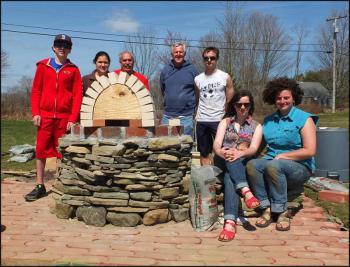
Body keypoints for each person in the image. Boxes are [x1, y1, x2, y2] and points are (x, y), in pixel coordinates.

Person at [246, 77, 318, 231]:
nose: (282, 101)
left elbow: (310, 150)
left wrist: (285, 156)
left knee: (273, 165)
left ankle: (282, 211)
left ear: (294, 98)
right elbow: (257, 148)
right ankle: (265, 208)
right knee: (253, 165)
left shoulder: (305, 119)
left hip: (299, 167)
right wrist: (240, 152)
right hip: (274, 163)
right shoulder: (269, 121)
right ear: (273, 99)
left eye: (286, 97)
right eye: (279, 98)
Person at [25, 34, 82, 202]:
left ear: (70, 49)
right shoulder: (43, 66)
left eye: (66, 45)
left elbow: (77, 96)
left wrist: (72, 118)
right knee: (41, 151)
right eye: (59, 44)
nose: (62, 47)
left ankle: (61, 184)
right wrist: (36, 112)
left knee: (61, 152)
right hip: (45, 116)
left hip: (64, 118)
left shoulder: (74, 70)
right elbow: (36, 91)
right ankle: (40, 185)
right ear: (53, 47)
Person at [213, 90, 262, 241]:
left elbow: (253, 149)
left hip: (242, 162)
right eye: (239, 104)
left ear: (250, 106)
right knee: (229, 155)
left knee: (229, 177)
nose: (242, 107)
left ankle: (229, 222)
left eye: (246, 104)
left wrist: (239, 153)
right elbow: (216, 144)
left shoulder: (256, 126)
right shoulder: (225, 122)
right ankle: (246, 191)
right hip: (223, 158)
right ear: (234, 106)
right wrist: (222, 152)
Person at [195, 46, 234, 166]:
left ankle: (222, 180)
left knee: (223, 151)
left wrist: (226, 117)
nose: (209, 60)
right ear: (203, 60)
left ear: (217, 59)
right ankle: (208, 182)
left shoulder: (225, 77)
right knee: (204, 153)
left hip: (219, 120)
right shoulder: (197, 79)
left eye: (212, 58)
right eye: (206, 58)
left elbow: (230, 100)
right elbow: (198, 99)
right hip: (202, 120)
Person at [160, 42, 199, 136]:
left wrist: (192, 107)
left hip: (186, 117)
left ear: (184, 54)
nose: (178, 54)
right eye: (176, 52)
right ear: (172, 54)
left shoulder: (192, 70)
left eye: (181, 52)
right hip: (168, 116)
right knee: (165, 146)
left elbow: (197, 92)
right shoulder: (165, 70)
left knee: (186, 146)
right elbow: (163, 89)